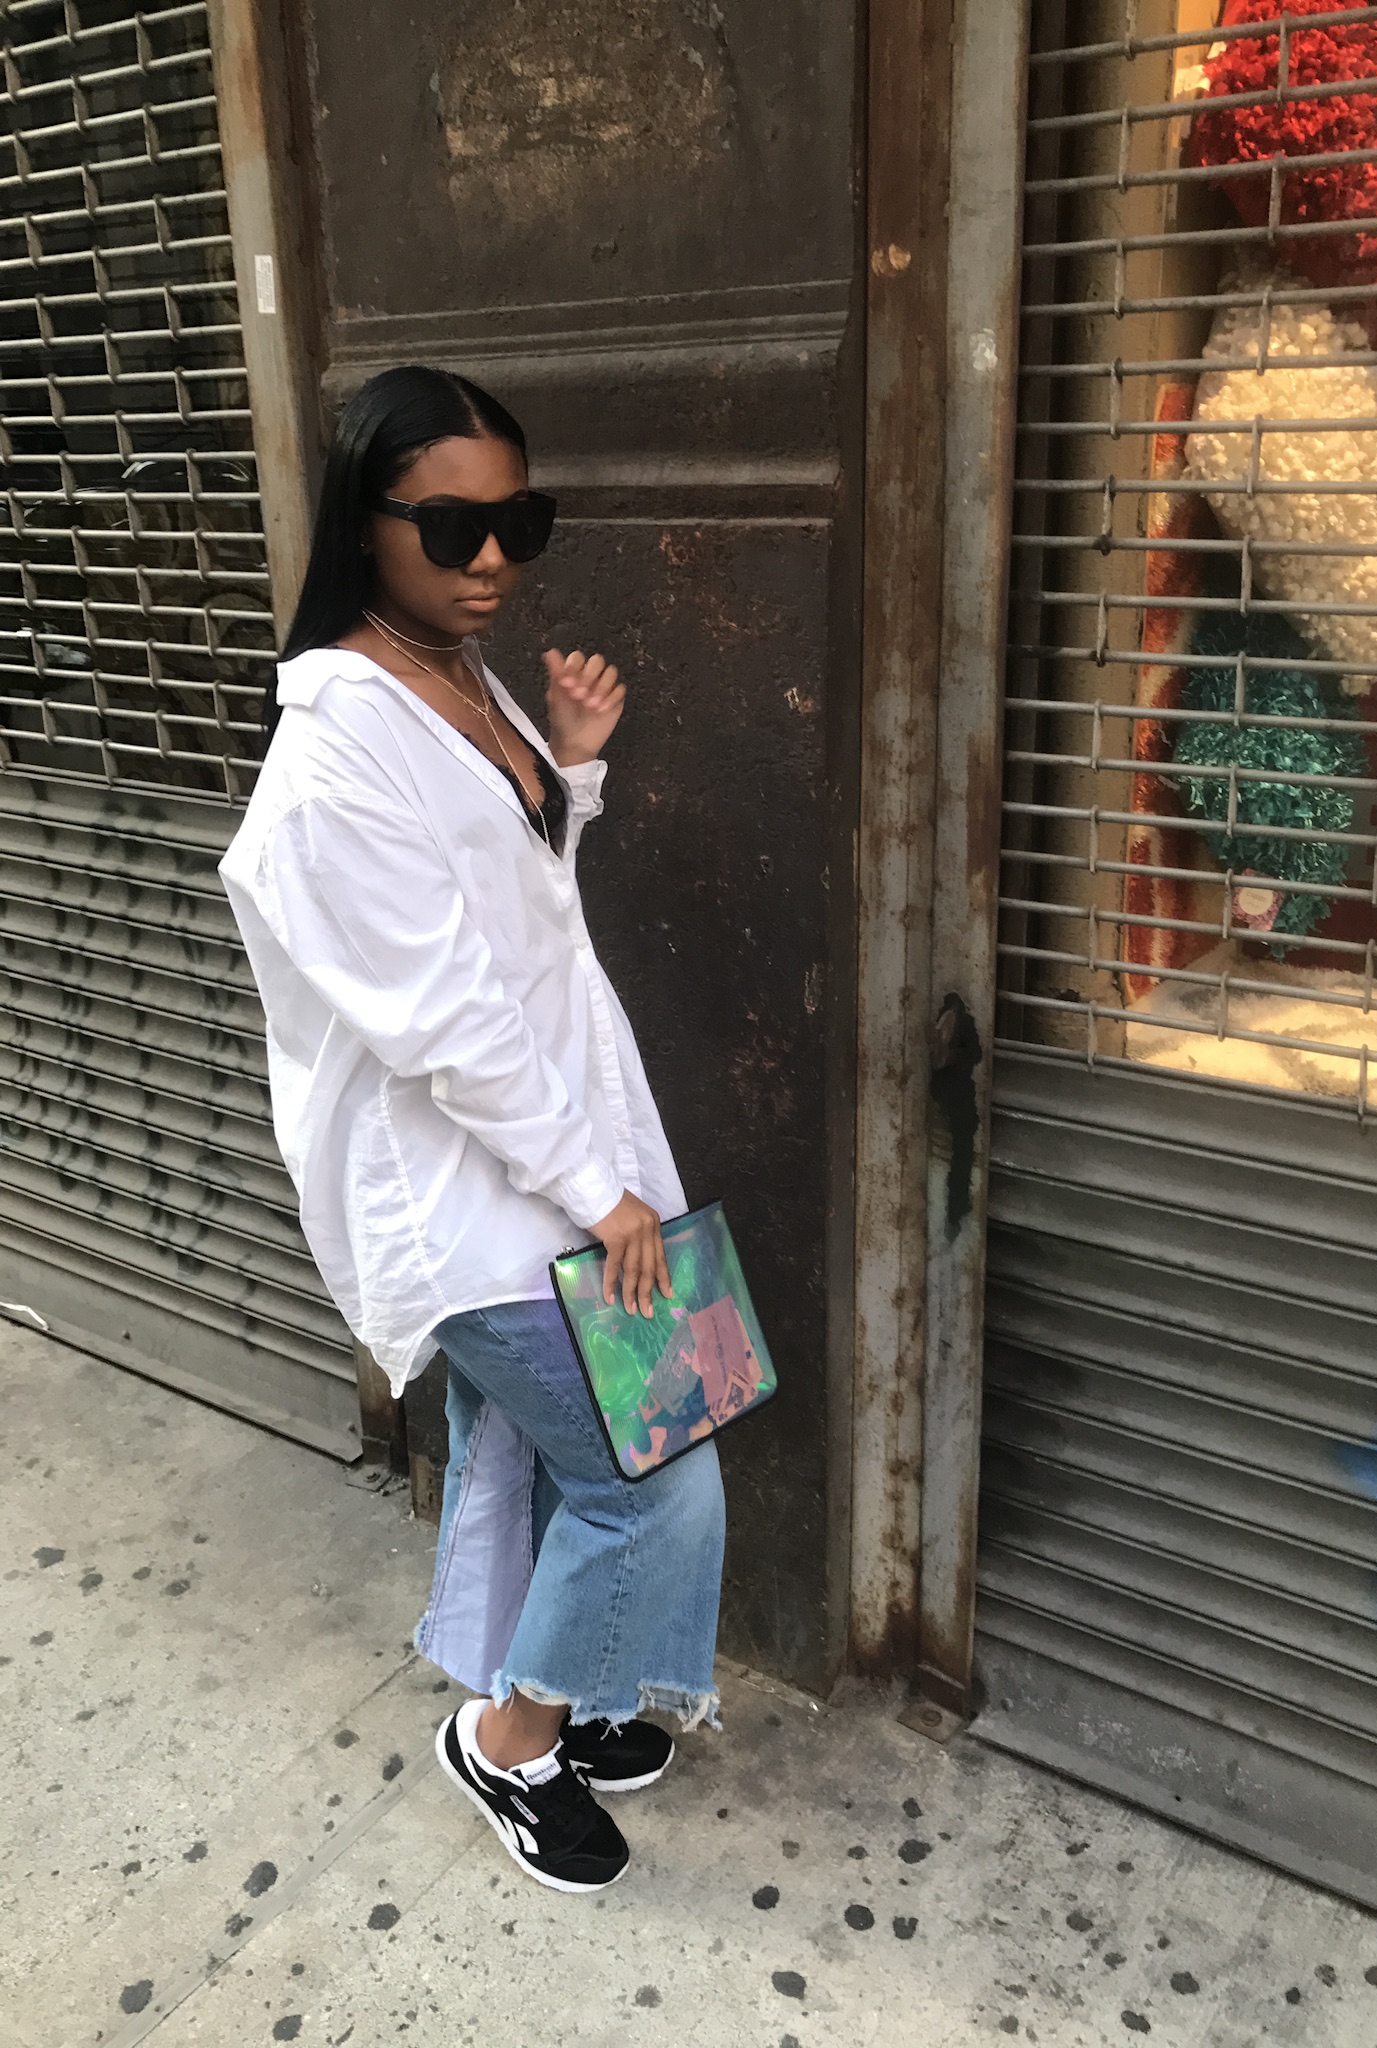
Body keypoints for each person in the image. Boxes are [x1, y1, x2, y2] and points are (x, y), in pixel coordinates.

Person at [220, 365, 725, 1894]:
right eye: (454, 527)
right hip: (466, 1190)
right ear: (366, 522)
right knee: (652, 1469)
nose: (494, 557)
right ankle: (508, 1740)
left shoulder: (453, 673)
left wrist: (570, 766)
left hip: (567, 1147)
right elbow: (445, 1019)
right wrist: (598, 1189)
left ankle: (579, 1687)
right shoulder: (333, 757)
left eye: (522, 520)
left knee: (610, 1441)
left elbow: (519, 912)